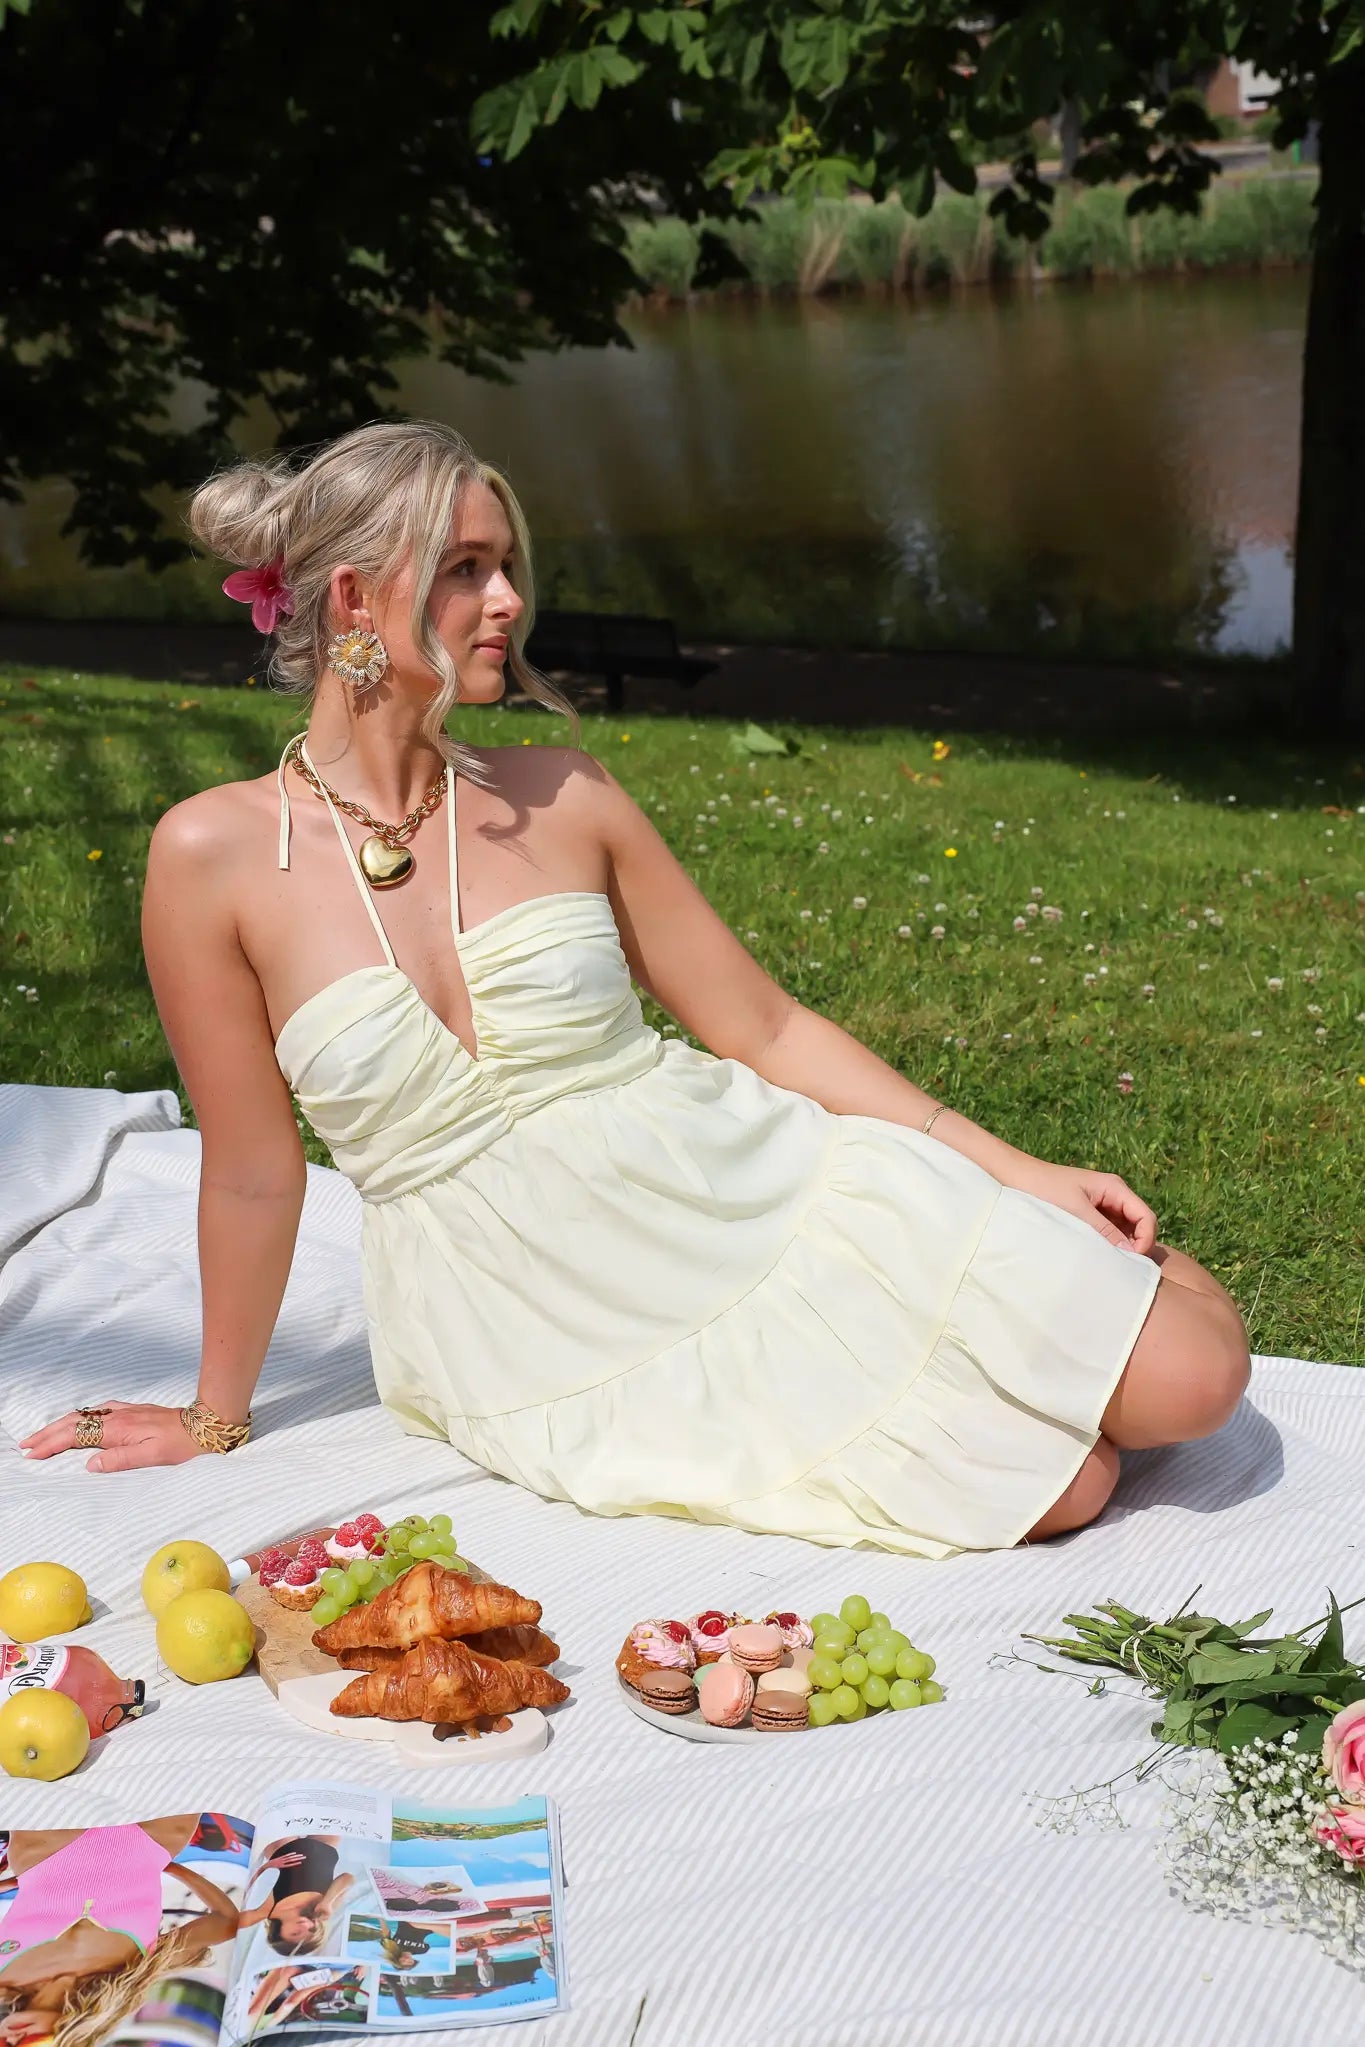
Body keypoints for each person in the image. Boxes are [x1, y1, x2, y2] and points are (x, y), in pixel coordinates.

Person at [18, 419, 1251, 1555]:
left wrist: (1019, 1172)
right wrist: (215, 1416)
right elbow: (251, 1169)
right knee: (1064, 1485)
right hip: (519, 1316)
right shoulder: (211, 854)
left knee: (1196, 1384)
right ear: (351, 597)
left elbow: (764, 1023)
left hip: (723, 1189)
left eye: (508, 565)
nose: (510, 600)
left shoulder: (565, 794)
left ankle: (1104, 1268)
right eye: (466, 568)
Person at [0, 1821, 239, 2047]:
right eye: (25, 2045)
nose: (11, 2038)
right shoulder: (134, 1972)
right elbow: (226, 1921)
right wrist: (173, 1869)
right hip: (154, 1834)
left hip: (45, 1840)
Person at [236, 1839, 355, 1958]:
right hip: (324, 1846)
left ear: (279, 1934)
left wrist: (267, 1866)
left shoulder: (266, 1911)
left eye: (295, 1933)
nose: (304, 1927)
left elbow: (230, 1923)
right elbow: (348, 1878)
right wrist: (327, 1901)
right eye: (311, 1930)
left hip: (284, 1846)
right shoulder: (321, 1908)